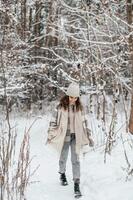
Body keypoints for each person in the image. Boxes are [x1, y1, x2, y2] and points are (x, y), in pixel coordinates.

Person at [46, 82, 94, 198]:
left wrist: (89, 136)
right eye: (71, 97)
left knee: (75, 160)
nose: (73, 99)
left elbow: (85, 122)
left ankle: (76, 184)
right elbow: (53, 122)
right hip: (63, 137)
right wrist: (51, 134)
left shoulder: (79, 108)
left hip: (76, 137)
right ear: (67, 95)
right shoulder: (60, 107)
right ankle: (62, 173)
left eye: (76, 97)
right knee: (63, 157)